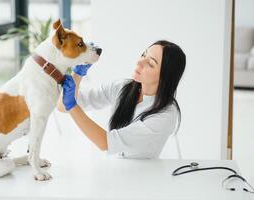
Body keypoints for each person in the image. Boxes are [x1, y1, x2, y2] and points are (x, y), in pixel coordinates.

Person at [57, 40, 186, 159]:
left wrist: (72, 105)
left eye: (150, 63)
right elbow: (62, 107)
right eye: (143, 55)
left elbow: (105, 143)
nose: (139, 62)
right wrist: (78, 74)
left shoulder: (166, 114)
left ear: (165, 77)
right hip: (115, 171)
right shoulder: (121, 88)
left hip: (143, 178)